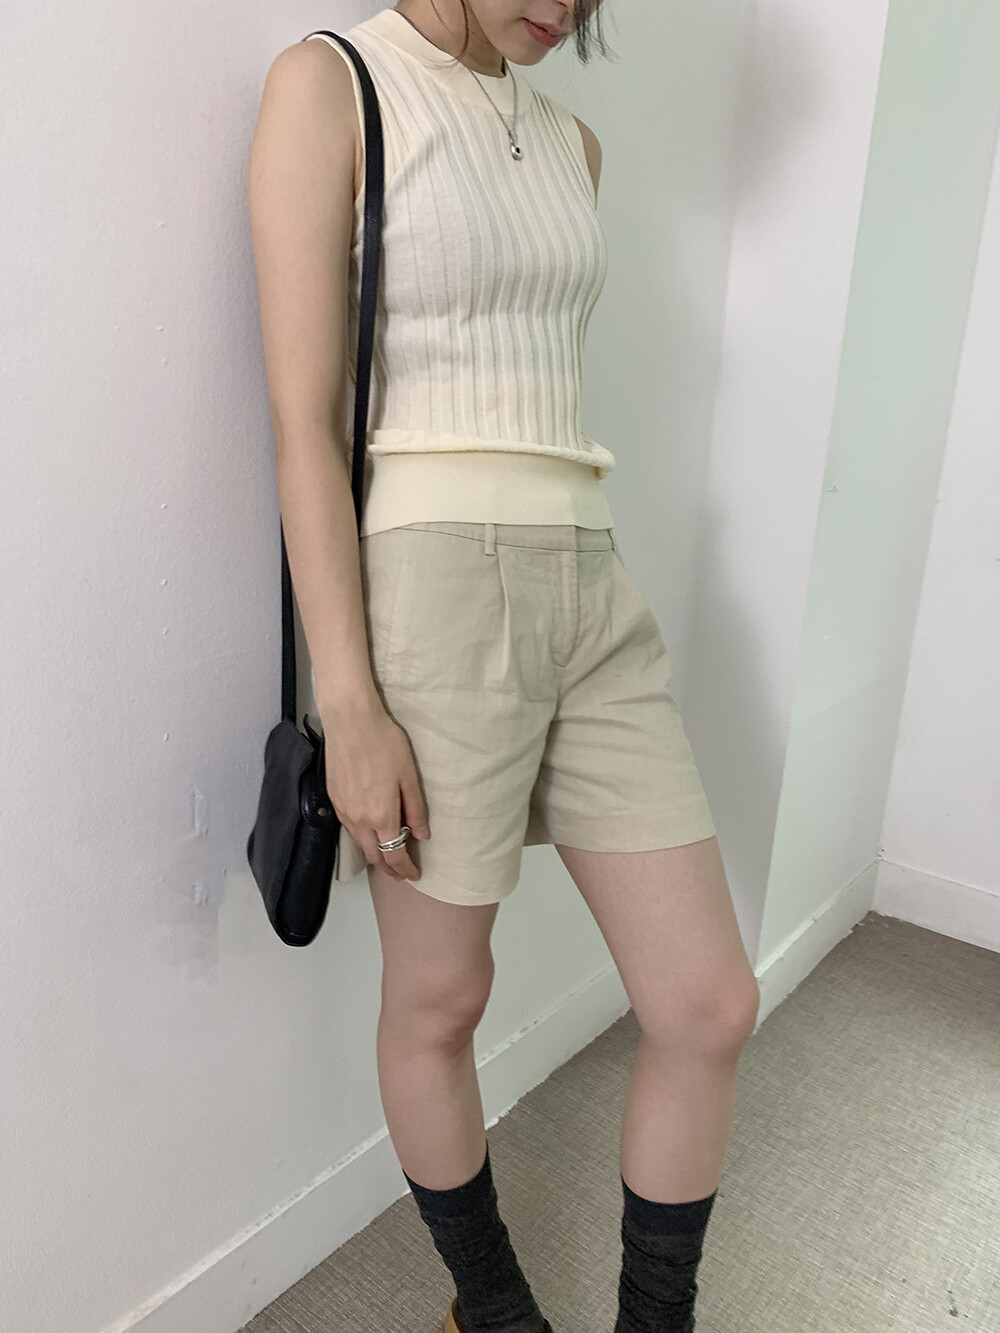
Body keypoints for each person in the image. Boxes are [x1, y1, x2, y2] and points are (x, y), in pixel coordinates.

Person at [247, 3, 760, 1330]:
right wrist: (348, 698)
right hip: (432, 591)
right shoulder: (332, 86)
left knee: (707, 1003)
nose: (569, 6)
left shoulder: (571, 143)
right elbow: (304, 425)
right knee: (442, 995)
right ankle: (493, 1311)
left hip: (589, 575)